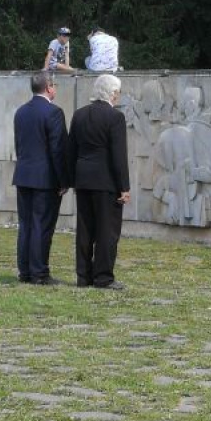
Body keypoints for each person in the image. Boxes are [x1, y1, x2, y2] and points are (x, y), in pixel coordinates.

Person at [69, 74, 130, 289]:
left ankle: (83, 276)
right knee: (107, 230)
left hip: (83, 179)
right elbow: (118, 155)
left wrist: (70, 180)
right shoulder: (115, 117)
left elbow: (72, 150)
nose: (118, 96)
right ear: (112, 93)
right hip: (106, 182)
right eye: (117, 92)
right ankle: (103, 277)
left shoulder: (79, 115)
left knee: (85, 230)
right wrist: (124, 187)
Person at [12, 72, 70, 284]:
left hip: (24, 175)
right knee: (42, 226)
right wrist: (64, 180)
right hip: (45, 179)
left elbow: (19, 146)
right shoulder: (53, 113)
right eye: (54, 85)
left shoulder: (20, 112)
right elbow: (58, 150)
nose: (55, 89)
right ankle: (39, 273)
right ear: (48, 87)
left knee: (26, 225)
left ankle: (25, 271)